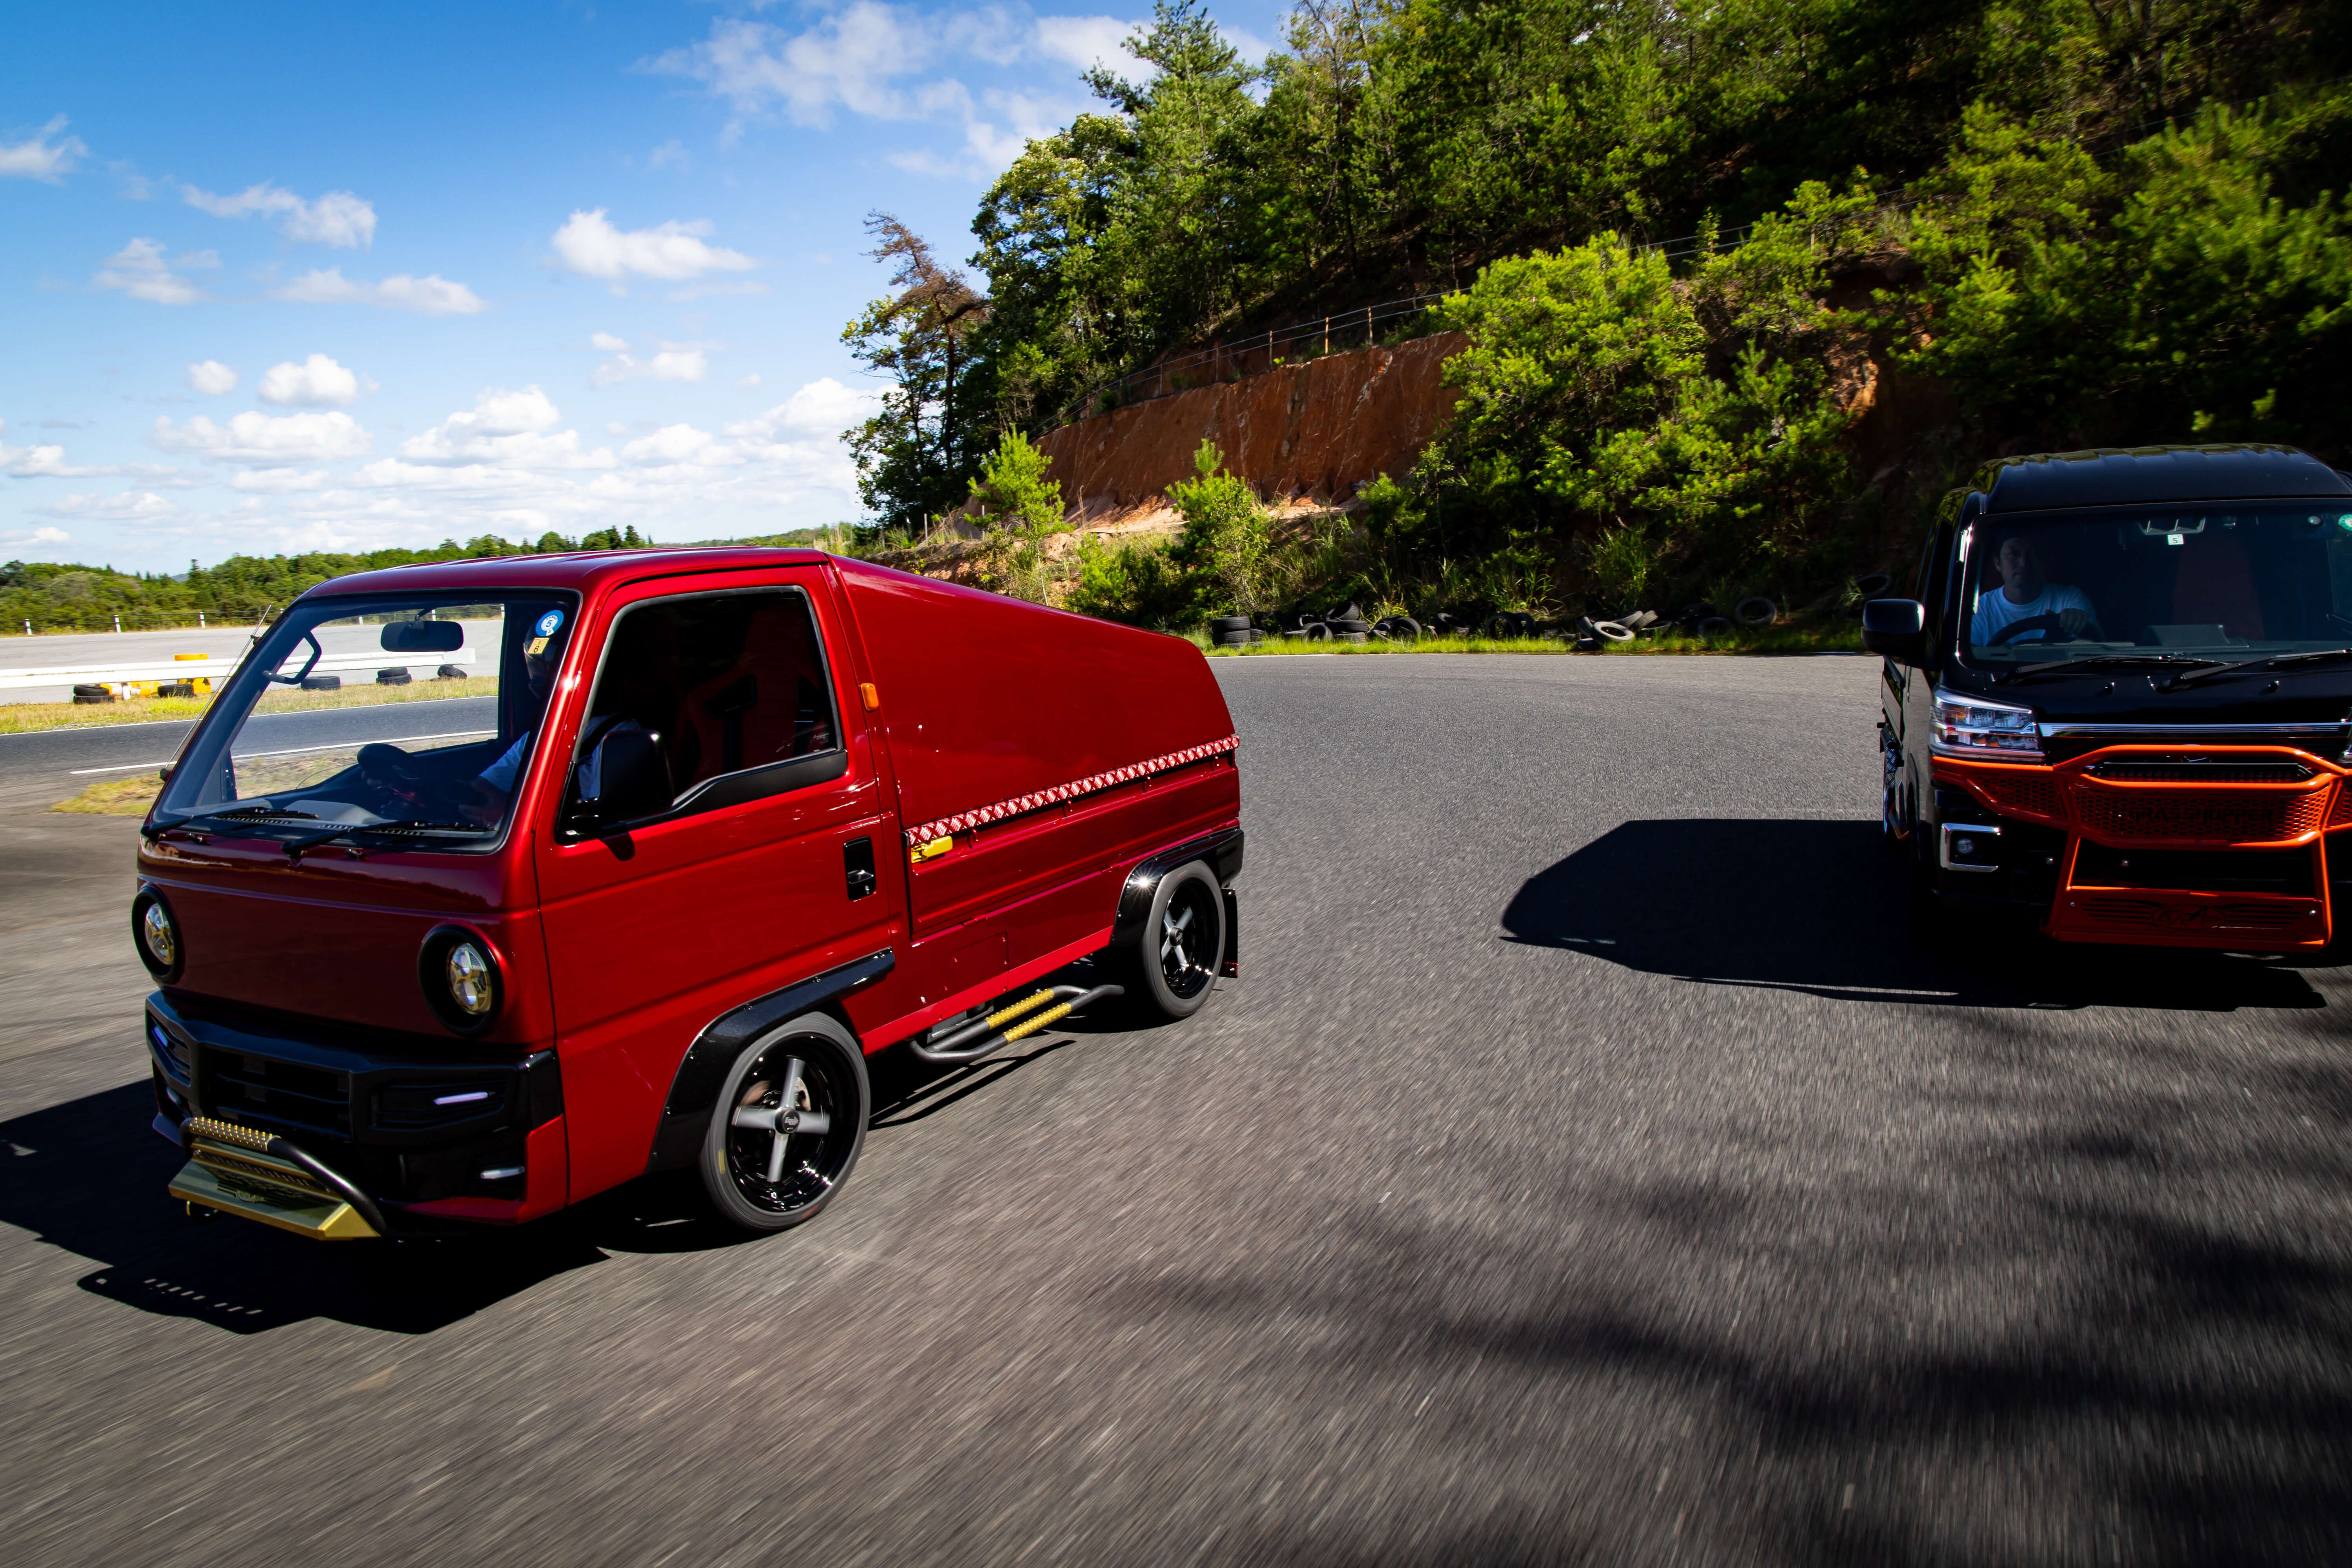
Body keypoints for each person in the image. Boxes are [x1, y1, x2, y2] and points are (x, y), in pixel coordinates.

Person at [361, 607, 568, 824]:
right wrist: (408, 784)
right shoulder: (538, 739)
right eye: (539, 667)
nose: (541, 681)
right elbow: (481, 790)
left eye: (552, 667)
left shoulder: (604, 744)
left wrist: (511, 818)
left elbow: (590, 823)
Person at [1971, 531, 2097, 644]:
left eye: (2033, 553)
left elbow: (2097, 647)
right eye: (2014, 554)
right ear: (1998, 563)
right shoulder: (1980, 609)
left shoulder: (2070, 600)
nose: (2024, 563)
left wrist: (2075, 623)